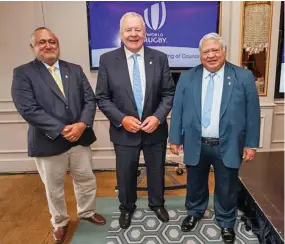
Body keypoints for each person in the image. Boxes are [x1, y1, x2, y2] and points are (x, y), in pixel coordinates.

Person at [11, 27, 106, 244]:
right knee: (53, 188)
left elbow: (89, 100)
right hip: (48, 141)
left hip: (80, 139)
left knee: (86, 180)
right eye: (42, 42)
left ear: (58, 43)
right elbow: (28, 109)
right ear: (33, 47)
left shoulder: (75, 69)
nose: (48, 45)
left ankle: (87, 212)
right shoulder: (23, 73)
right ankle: (60, 221)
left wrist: (82, 124)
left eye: (51, 41)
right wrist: (63, 129)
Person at [169, 33, 260, 243]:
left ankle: (227, 222)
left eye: (215, 50)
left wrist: (251, 144)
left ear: (224, 51)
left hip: (228, 144)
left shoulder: (243, 77)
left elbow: (252, 114)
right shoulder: (187, 77)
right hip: (196, 142)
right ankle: (194, 212)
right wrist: (175, 138)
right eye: (206, 51)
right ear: (200, 55)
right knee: (195, 183)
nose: (211, 55)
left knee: (227, 187)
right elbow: (178, 109)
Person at [96, 12, 175, 229]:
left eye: (138, 29)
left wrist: (158, 118)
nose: (133, 34)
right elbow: (102, 97)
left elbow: (169, 93)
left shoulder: (159, 58)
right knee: (125, 173)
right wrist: (122, 119)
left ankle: (157, 204)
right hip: (123, 132)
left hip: (155, 130)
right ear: (121, 34)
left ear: (145, 33)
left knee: (156, 170)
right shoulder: (107, 60)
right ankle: (127, 208)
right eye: (129, 30)